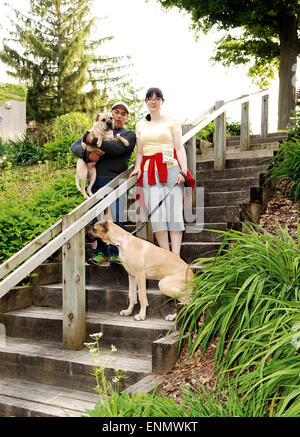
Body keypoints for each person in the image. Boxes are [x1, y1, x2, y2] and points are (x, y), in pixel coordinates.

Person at [130, 87, 194, 257]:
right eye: (150, 98)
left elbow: (179, 148)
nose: (153, 101)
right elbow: (140, 152)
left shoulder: (172, 122)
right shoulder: (141, 124)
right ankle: (167, 256)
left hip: (171, 168)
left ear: (162, 102)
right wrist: (137, 167)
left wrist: (183, 171)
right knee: (157, 214)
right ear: (145, 101)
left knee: (174, 211)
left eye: (157, 98)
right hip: (150, 170)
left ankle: (176, 256)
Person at [71, 101, 136, 265]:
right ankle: (99, 253)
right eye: (116, 112)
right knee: (95, 220)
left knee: (116, 220)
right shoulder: (99, 128)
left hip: (116, 181)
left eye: (123, 113)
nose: (119, 116)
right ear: (111, 115)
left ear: (127, 118)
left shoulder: (129, 134)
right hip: (97, 179)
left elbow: (117, 149)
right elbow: (75, 146)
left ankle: (115, 253)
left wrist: (93, 140)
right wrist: (87, 155)